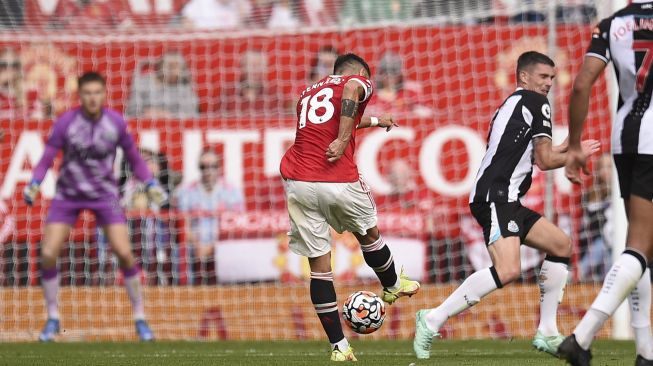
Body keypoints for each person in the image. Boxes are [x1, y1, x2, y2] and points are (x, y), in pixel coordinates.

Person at [413, 51, 600, 359]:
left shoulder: (513, 103)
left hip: (505, 197)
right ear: (524, 77)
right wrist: (575, 155)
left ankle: (548, 332)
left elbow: (532, 154)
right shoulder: (535, 102)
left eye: (552, 78)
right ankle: (432, 318)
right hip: (496, 196)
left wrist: (564, 149)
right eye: (543, 77)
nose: (549, 83)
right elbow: (545, 160)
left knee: (560, 245)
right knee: (508, 269)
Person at [279, 53, 420, 361]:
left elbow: (329, 119)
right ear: (358, 71)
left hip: (298, 181)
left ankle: (339, 348)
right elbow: (351, 94)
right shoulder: (357, 80)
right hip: (336, 179)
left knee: (320, 269)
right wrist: (344, 139)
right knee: (369, 233)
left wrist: (372, 121)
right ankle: (393, 285)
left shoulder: (308, 92)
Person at [23, 72, 168, 342]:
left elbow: (135, 158)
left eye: (97, 92)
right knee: (47, 253)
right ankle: (53, 317)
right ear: (80, 95)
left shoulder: (115, 122)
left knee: (125, 253)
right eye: (87, 93)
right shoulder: (66, 122)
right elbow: (46, 157)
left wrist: (150, 183)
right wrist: (34, 182)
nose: (93, 98)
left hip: (105, 195)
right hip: (68, 194)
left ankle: (140, 317)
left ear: (104, 94)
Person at [559, 2, 653, 365]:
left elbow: (582, 83)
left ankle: (645, 351)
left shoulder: (613, 23)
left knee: (638, 245)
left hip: (624, 139)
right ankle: (581, 338)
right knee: (641, 248)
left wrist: (576, 145)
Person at [174, 149, 244, 285]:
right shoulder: (186, 191)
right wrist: (197, 245)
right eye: (203, 167)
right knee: (180, 252)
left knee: (234, 250)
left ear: (219, 167)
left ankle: (232, 295)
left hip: (222, 243)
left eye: (213, 166)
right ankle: (185, 296)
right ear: (199, 168)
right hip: (194, 244)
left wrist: (212, 247)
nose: (208, 170)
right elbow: (183, 226)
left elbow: (236, 227)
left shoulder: (232, 192)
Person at [127, 51, 199, 118]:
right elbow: (131, 111)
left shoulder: (185, 90)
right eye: (169, 65)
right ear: (160, 66)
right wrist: (145, 113)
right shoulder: (143, 83)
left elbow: (192, 114)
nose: (172, 70)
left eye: (176, 66)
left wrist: (169, 115)